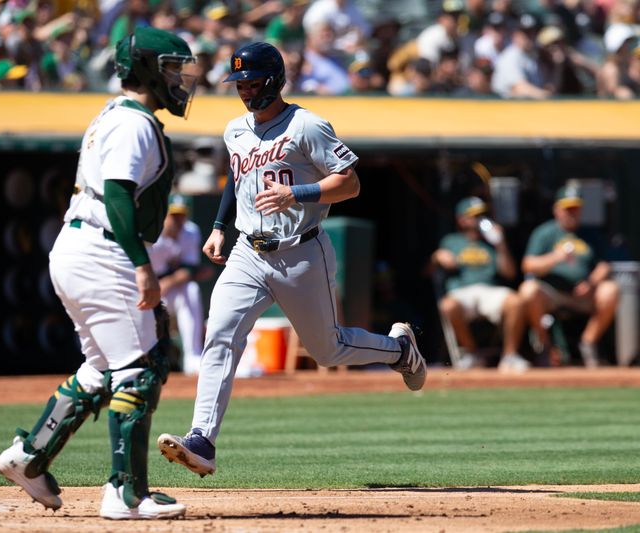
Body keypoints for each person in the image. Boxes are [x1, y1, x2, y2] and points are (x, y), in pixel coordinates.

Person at [156, 42, 427, 477]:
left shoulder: (307, 126)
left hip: (302, 250)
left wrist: (296, 193)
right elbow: (236, 177)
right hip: (248, 250)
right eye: (239, 83)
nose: (244, 90)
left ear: (274, 80)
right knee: (220, 335)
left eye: (251, 81)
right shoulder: (235, 130)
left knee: (328, 349)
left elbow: (350, 183)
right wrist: (220, 227)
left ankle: (398, 350)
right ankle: (202, 439)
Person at [0, 26, 198, 519]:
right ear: (148, 68)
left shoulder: (114, 113)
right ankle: (126, 493)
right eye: (171, 68)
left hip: (78, 246)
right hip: (105, 250)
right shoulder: (134, 124)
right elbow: (119, 194)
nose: (179, 79)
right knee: (140, 370)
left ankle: (29, 456)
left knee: (103, 367)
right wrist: (142, 265)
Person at [518, 185, 620, 368]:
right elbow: (528, 265)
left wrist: (590, 282)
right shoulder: (545, 232)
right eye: (567, 208)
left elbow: (604, 265)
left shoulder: (590, 233)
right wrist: (556, 257)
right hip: (553, 294)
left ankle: (588, 343)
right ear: (557, 209)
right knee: (528, 290)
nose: (572, 213)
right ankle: (546, 348)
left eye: (576, 208)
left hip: (583, 293)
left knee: (611, 290)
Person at [432, 197, 529, 372]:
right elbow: (427, 272)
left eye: (482, 215)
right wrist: (436, 257)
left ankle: (510, 356)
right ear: (461, 219)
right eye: (473, 215)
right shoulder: (451, 241)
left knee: (516, 301)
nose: (479, 219)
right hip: (462, 291)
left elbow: (510, 273)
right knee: (448, 305)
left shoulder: (492, 242)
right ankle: (472, 354)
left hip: (490, 290)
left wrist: (501, 245)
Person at [148, 194, 206, 375]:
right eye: (173, 215)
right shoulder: (152, 235)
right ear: (164, 215)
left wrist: (169, 281)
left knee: (191, 289)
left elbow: (189, 270)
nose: (177, 220)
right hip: (146, 291)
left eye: (181, 215)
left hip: (168, 290)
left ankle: (193, 356)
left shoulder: (190, 232)